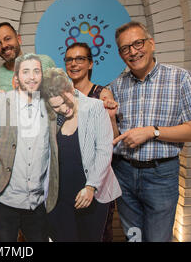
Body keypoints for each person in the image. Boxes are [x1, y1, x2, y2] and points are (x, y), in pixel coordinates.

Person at [110, 21, 191, 242]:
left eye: (138, 43)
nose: (133, 52)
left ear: (151, 43)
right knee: (133, 238)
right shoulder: (116, 86)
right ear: (120, 54)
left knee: (158, 238)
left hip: (161, 175)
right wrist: (109, 117)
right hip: (124, 173)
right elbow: (115, 136)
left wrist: (152, 132)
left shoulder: (182, 78)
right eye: (125, 48)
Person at [0, 53, 53, 242]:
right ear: (16, 78)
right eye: (25, 72)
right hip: (4, 200)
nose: (32, 77)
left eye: (36, 71)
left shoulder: (51, 107)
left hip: (38, 202)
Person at [42, 68, 122, 242]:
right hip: (60, 198)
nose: (63, 109)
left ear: (71, 87)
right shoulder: (50, 114)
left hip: (92, 195)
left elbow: (104, 150)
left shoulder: (95, 107)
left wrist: (91, 187)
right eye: (56, 106)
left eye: (65, 101)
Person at [63, 42, 119, 241]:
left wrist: (111, 116)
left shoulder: (102, 95)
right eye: (69, 59)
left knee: (99, 235)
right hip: (68, 183)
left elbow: (110, 142)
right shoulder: (62, 97)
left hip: (96, 181)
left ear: (90, 64)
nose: (74, 63)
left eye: (80, 59)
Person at [0, 22, 56, 91]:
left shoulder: (45, 62)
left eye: (7, 39)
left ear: (19, 39)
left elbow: (63, 94)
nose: (4, 45)